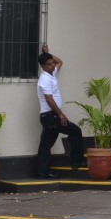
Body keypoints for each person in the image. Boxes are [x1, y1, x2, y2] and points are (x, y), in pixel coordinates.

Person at [35, 44, 85, 178]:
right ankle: (77, 161)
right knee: (75, 131)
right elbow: (49, 98)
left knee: (45, 145)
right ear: (43, 66)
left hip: (48, 116)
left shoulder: (51, 74)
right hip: (50, 116)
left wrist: (48, 53)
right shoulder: (45, 78)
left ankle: (43, 172)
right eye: (49, 64)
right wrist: (60, 114)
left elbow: (60, 62)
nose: (52, 65)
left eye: (52, 63)